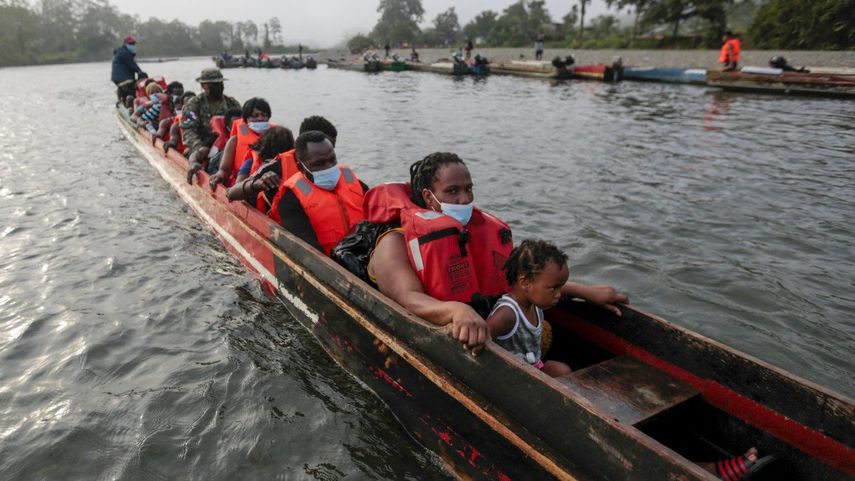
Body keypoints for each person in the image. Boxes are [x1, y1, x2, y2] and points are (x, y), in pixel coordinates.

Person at [365, 153, 627, 353]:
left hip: (483, 321)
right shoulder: (394, 242)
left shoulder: (472, 230)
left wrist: (584, 291)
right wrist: (456, 311)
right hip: (440, 331)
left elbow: (520, 278)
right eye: (452, 191)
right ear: (428, 196)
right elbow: (408, 298)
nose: (465, 199)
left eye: (468, 189)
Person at [269, 131, 368, 254]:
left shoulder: (348, 177)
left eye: (332, 160)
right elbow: (308, 249)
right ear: (301, 167)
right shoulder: (290, 197)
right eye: (319, 163)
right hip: (331, 260)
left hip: (368, 253)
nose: (329, 167)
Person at [487, 239, 572, 377]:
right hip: (510, 375)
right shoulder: (507, 314)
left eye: (560, 288)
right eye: (554, 288)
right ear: (525, 283)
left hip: (533, 368)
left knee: (561, 370)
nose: (559, 295)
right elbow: (481, 340)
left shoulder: (535, 306)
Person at [209, 97, 274, 189]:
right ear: (246, 120)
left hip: (269, 183)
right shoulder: (235, 140)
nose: (260, 118)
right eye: (255, 116)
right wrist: (218, 176)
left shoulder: (276, 137)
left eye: (264, 115)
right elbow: (224, 170)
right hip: (239, 185)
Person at [225, 126, 295, 207]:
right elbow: (235, 188)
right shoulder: (251, 163)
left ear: (263, 145)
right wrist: (256, 185)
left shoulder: (251, 162)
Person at [180, 67, 240, 158]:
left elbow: (242, 124)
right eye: (213, 85)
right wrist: (200, 148)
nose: (218, 87)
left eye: (219, 83)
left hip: (229, 144)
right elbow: (188, 131)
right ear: (203, 86)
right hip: (202, 145)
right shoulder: (194, 104)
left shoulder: (231, 103)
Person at [111, 35, 146, 105]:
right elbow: (135, 67)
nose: (132, 45)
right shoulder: (125, 53)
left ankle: (123, 100)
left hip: (117, 79)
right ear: (125, 44)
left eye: (133, 44)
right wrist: (143, 76)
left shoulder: (120, 52)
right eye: (130, 44)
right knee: (139, 87)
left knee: (128, 90)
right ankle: (134, 104)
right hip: (124, 79)